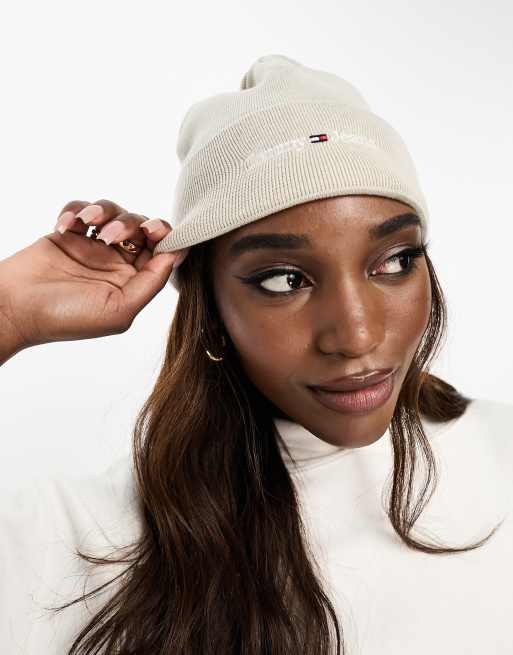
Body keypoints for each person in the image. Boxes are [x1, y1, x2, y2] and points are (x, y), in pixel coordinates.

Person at [1, 54, 512, 655]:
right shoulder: (69, 546)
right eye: (284, 279)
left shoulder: (501, 449)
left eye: (395, 261)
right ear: (211, 307)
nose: (356, 336)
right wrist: (8, 312)